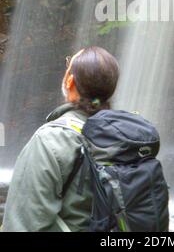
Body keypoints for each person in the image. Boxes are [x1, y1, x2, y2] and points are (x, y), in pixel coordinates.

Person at [2, 46, 120, 232]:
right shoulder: (125, 138)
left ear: (70, 81)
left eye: (68, 65)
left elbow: (21, 225)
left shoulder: (51, 140)